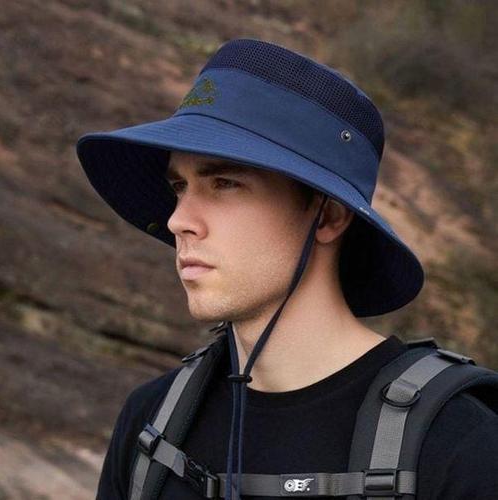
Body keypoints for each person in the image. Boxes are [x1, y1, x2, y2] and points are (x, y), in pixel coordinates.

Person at [76, 38, 498, 499]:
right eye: (180, 187)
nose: (179, 220)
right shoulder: (153, 426)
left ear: (329, 216)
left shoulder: (460, 446)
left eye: (225, 183)